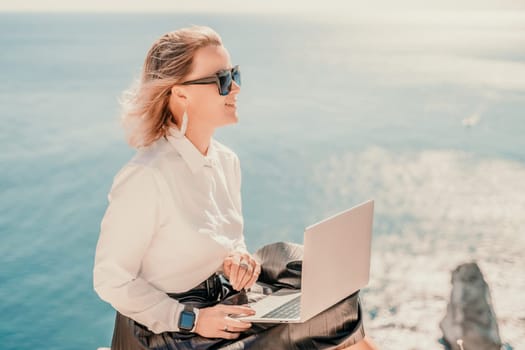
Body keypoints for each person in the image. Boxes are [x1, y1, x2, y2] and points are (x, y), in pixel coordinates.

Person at [93, 25, 377, 349]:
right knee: (326, 317)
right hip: (170, 328)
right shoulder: (146, 176)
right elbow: (110, 280)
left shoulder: (226, 162)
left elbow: (229, 239)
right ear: (180, 93)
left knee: (334, 292)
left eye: (234, 75)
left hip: (222, 303)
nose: (236, 89)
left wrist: (237, 259)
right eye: (222, 80)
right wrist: (192, 319)